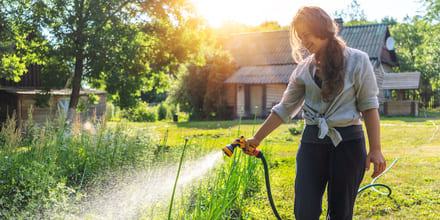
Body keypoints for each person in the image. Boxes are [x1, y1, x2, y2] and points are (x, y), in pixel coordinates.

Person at [243, 6, 387, 220]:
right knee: (305, 211)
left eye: (306, 34)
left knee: (340, 213)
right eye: (300, 37)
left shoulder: (358, 60)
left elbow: (368, 106)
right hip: (312, 143)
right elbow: (284, 108)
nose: (303, 41)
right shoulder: (303, 69)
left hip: (348, 143)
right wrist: (256, 138)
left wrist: (375, 149)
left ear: (322, 28)